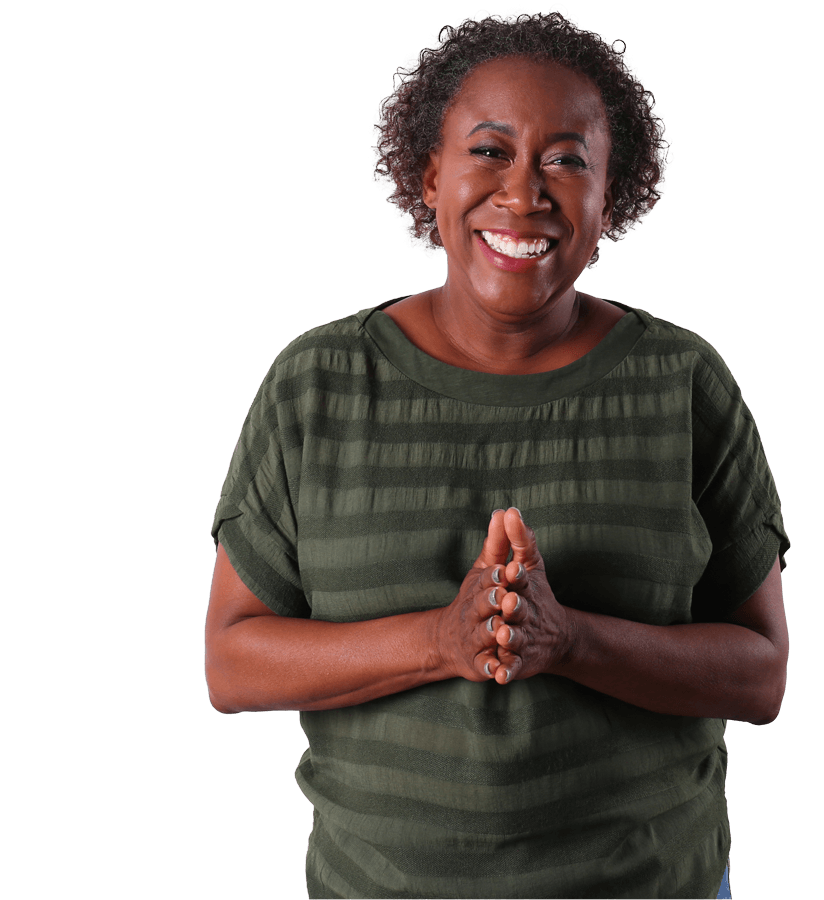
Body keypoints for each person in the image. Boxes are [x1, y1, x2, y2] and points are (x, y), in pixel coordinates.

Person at [206, 8, 788, 898]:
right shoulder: (315, 382)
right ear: (429, 173)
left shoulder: (684, 382)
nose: (524, 193)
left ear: (611, 191)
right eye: (489, 151)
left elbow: (760, 675)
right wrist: (440, 641)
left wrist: (571, 640)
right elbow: (232, 662)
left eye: (566, 159)